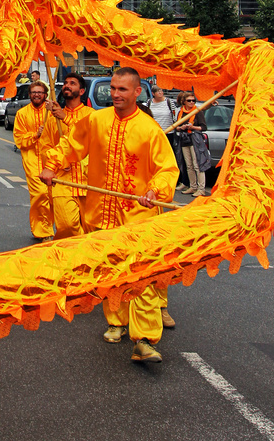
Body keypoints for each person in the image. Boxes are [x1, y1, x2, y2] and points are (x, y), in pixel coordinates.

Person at [41, 66, 178, 363]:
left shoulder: (149, 129)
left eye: (122, 89)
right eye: (113, 88)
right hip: (99, 213)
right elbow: (71, 144)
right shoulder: (96, 120)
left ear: (136, 92)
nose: (115, 94)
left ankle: (144, 338)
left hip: (136, 217)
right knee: (109, 273)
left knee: (142, 276)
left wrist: (154, 191)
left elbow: (167, 169)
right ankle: (116, 321)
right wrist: (53, 165)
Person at [46, 73, 94, 238]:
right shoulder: (53, 119)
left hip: (89, 181)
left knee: (92, 231)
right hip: (63, 180)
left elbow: (88, 137)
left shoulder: (90, 114)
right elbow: (47, 146)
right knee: (67, 227)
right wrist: (55, 164)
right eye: (65, 83)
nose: (67, 85)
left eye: (72, 83)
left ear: (81, 91)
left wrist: (65, 118)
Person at [13, 80, 62, 239]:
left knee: (52, 196)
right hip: (32, 160)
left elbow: (63, 134)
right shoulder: (22, 114)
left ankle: (48, 225)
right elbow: (19, 140)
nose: (37, 95)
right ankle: (44, 232)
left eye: (40, 92)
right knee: (40, 194)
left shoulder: (52, 112)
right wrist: (35, 135)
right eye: (34, 92)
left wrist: (55, 113)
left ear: (45, 95)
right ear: (29, 95)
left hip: (51, 161)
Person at [173, 95, 209, 197]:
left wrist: (192, 127)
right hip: (184, 140)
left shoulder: (197, 111)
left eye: (193, 100)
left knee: (197, 165)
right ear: (184, 102)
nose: (192, 102)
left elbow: (204, 127)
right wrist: (181, 128)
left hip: (195, 141)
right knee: (189, 165)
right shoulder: (181, 112)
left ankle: (201, 188)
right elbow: (176, 126)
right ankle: (192, 186)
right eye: (189, 100)